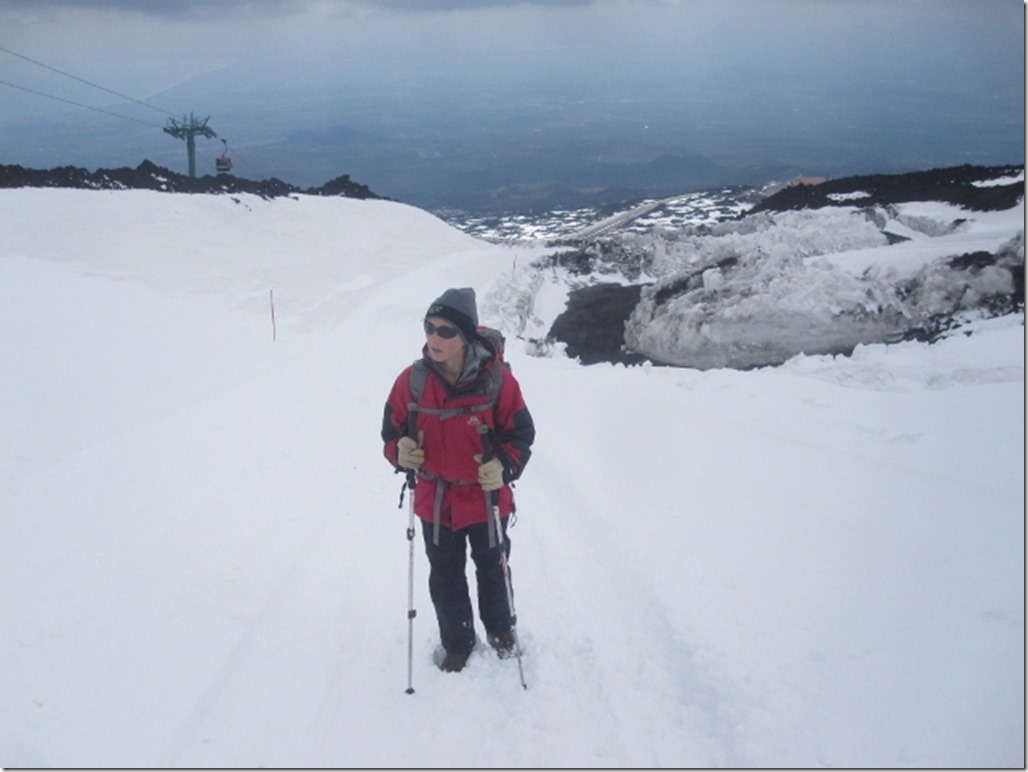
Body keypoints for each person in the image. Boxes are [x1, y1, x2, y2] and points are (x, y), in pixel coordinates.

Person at [381, 287, 535, 673]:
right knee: (445, 576)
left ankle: (501, 631)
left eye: (446, 331)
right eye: (429, 327)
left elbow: (521, 434)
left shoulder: (497, 381)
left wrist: (504, 465)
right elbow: (390, 434)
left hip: (486, 499)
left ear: (465, 335)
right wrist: (399, 452)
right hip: (435, 499)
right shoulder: (411, 382)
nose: (434, 338)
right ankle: (457, 642)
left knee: (493, 570)